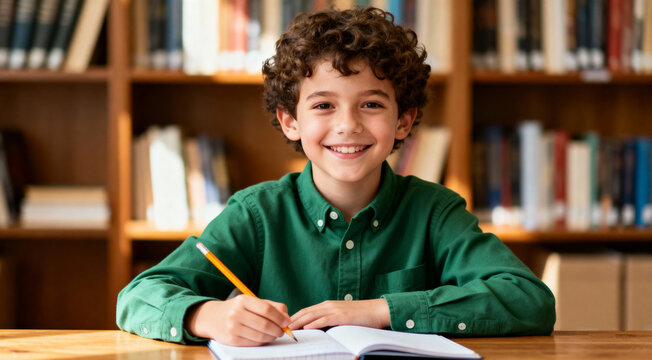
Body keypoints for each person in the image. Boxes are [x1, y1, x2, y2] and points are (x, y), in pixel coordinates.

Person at [116, 6, 555, 346]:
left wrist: (382, 310)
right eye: (324, 105)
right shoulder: (257, 213)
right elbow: (139, 296)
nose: (348, 125)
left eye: (372, 104)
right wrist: (205, 316)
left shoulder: (435, 212)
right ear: (291, 122)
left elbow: (528, 300)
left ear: (404, 121)